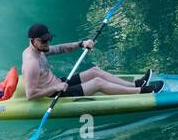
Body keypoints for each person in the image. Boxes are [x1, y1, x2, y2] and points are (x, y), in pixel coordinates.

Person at [22, 23, 161, 100]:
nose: (48, 43)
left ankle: (136, 84)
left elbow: (60, 48)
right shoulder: (31, 63)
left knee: (95, 71)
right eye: (44, 40)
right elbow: (31, 95)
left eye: (49, 39)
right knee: (97, 83)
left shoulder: (40, 50)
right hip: (56, 93)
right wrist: (55, 88)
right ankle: (141, 91)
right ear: (33, 40)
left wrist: (82, 43)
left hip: (60, 83)